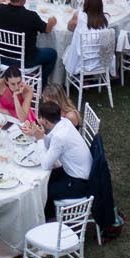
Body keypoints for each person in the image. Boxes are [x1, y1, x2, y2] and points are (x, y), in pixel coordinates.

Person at [39, 96, 118, 238]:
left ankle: (48, 223)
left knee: (43, 191)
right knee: (46, 181)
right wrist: (40, 136)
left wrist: (38, 139)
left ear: (45, 121)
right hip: (82, 172)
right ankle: (48, 216)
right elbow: (49, 144)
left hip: (80, 183)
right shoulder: (64, 123)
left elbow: (45, 164)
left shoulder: (59, 137)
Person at [0, 0, 58, 84]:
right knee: (52, 53)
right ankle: (42, 83)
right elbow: (47, 30)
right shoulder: (31, 16)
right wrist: (52, 22)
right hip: (25, 60)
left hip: (1, 56)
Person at [62, 0, 117, 85]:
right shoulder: (106, 18)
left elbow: (69, 27)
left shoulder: (79, 15)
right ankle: (91, 77)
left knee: (67, 49)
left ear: (85, 4)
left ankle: (77, 78)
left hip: (82, 62)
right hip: (100, 61)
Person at [0, 65, 43, 133]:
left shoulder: (28, 91)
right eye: (13, 84)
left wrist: (15, 97)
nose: (17, 87)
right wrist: (3, 111)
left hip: (21, 113)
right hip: (3, 112)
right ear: (6, 81)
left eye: (19, 82)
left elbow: (22, 118)